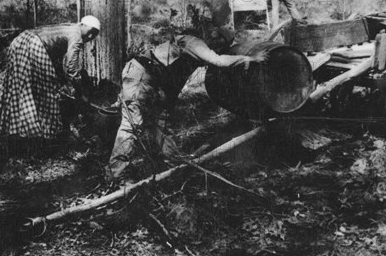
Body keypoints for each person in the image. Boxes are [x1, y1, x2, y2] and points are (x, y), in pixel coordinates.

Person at [107, 26, 268, 181]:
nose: (220, 49)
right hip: (142, 76)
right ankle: (117, 174)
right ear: (214, 35)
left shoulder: (193, 51)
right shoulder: (194, 43)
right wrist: (248, 58)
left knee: (162, 124)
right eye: (221, 44)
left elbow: (173, 79)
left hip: (152, 80)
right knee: (132, 125)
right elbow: (218, 61)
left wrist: (167, 103)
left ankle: (172, 168)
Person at [0, 16, 101, 141]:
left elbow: (63, 61)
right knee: (46, 90)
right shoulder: (76, 35)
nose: (90, 37)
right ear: (83, 25)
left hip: (20, 40)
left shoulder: (69, 27)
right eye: (90, 32)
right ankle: (43, 134)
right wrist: (79, 90)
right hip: (33, 45)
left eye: (93, 35)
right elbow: (71, 67)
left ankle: (17, 129)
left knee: (22, 87)